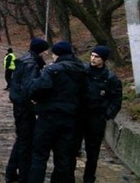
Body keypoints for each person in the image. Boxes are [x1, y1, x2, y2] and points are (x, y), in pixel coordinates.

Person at [27, 41, 88, 183]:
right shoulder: (83, 70)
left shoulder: (52, 70)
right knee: (63, 157)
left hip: (48, 117)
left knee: (39, 155)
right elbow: (87, 93)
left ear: (57, 54)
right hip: (71, 119)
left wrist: (38, 99)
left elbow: (37, 89)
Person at [70, 45, 122, 183]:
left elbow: (116, 100)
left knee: (93, 151)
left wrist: (106, 114)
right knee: (72, 148)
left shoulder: (111, 78)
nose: (93, 59)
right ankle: (69, 176)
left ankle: (89, 178)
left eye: (97, 56)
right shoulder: (83, 71)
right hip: (79, 116)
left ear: (103, 59)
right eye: (92, 55)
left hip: (97, 117)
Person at [5, 37, 49, 183]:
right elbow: (28, 88)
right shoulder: (31, 63)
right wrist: (35, 105)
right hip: (24, 107)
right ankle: (23, 176)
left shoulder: (26, 59)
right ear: (41, 50)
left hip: (20, 105)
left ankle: (11, 172)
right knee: (25, 142)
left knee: (22, 140)